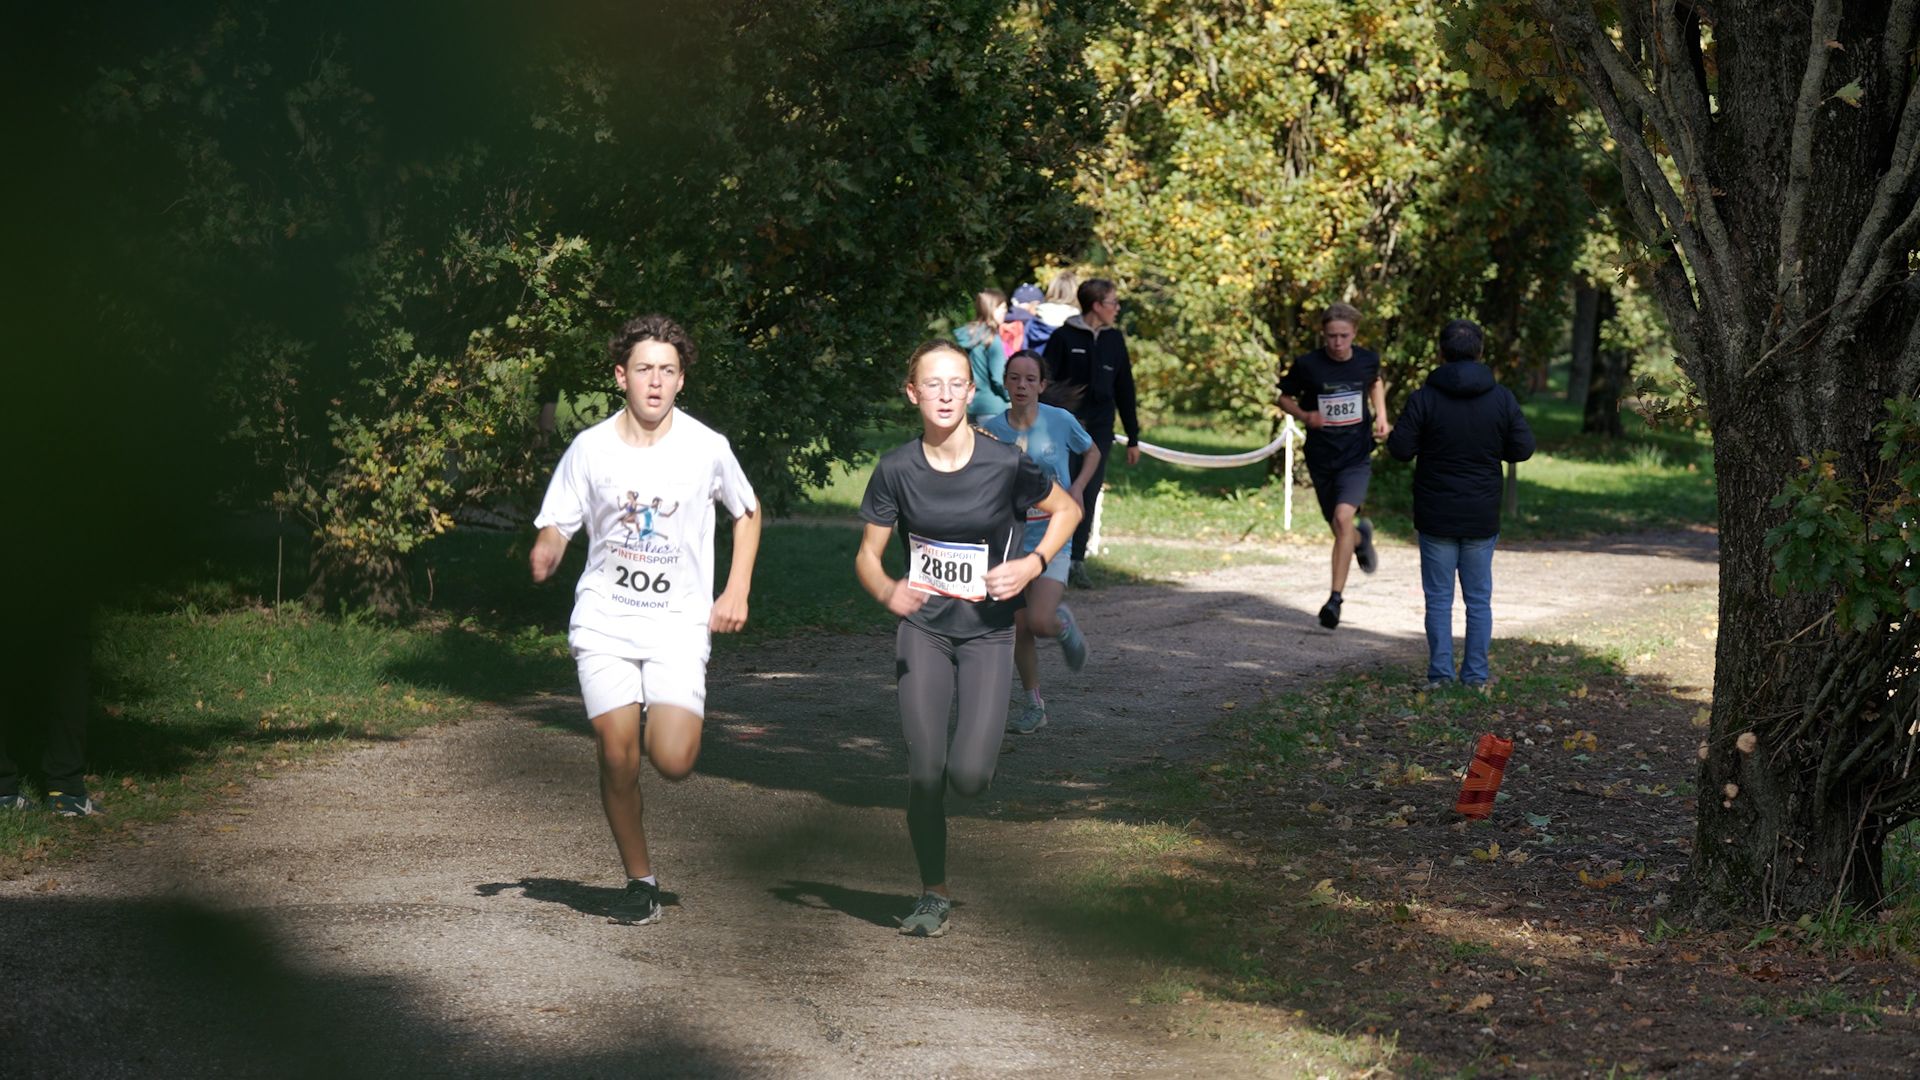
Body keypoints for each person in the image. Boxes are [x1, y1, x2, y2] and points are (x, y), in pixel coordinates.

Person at [531, 313, 762, 926]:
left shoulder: (706, 447)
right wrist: (548, 548)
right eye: (643, 370)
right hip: (604, 620)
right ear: (620, 377)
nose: (655, 382)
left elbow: (747, 511)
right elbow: (557, 520)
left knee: (674, 761)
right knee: (616, 754)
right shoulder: (591, 448)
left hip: (677, 624)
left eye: (667, 370)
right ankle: (641, 882)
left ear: (681, 379)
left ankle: (660, 726)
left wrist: (736, 589)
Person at [855, 341, 1081, 937]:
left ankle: (975, 767)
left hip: (988, 633)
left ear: (971, 391)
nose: (946, 394)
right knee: (925, 770)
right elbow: (867, 557)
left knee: (970, 778)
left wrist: (1032, 564)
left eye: (957, 383)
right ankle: (933, 893)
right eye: (933, 384)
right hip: (924, 630)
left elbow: (1066, 512)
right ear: (913, 393)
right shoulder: (896, 468)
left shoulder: (1005, 463)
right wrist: (887, 590)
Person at [1386, 319, 1535, 690]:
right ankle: (1475, 676)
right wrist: (1492, 448)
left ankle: (1440, 675)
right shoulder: (1501, 398)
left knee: (1439, 599)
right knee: (1479, 599)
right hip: (1481, 512)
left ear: (1441, 352)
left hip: (1436, 512)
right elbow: (1523, 448)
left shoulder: (1424, 398)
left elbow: (1400, 449)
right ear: (1480, 351)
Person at [980, 351, 1099, 733]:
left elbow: (1092, 452)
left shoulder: (1060, 421)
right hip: (1012, 540)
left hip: (1053, 534)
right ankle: (1035, 706)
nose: (1021, 386)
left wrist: (1077, 489)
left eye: (1030, 379)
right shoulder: (991, 431)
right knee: (1019, 628)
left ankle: (1061, 625)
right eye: (1014, 378)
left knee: (1039, 620)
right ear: (1005, 382)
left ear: (1042, 385)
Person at [1276, 302, 1390, 629]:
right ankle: (1360, 540)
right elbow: (1283, 397)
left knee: (1342, 518)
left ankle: (1334, 600)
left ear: (1354, 333)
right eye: (1331, 336)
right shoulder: (1308, 365)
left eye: (1344, 336)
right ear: (1323, 335)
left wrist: (1381, 416)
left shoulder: (1366, 360)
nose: (1337, 343)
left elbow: (1374, 382)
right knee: (1340, 528)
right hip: (1322, 457)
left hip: (1356, 455)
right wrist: (1305, 415)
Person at [1041, 277, 1140, 587]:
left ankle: (1076, 561)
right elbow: (1046, 384)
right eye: (1113, 303)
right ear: (1097, 305)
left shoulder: (1114, 340)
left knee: (1088, 490)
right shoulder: (1063, 337)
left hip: (1099, 429)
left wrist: (1133, 437)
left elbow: (1125, 388)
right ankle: (1050, 557)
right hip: (1064, 428)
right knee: (1060, 490)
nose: (1117, 308)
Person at [955, 289, 1011, 420]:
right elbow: (999, 378)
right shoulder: (992, 340)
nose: (1005, 311)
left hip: (972, 405)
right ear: (991, 309)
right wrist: (1012, 396)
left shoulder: (968, 336)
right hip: (994, 408)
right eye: (1002, 308)